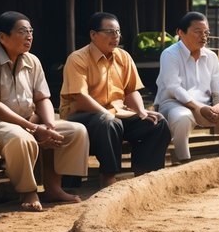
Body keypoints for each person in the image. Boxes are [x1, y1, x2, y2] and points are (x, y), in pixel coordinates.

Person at [0, 11, 88, 212]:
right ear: (2, 37)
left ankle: (54, 187)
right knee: (22, 138)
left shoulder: (33, 61)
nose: (29, 36)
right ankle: (28, 191)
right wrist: (33, 127)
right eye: (23, 31)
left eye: (31, 31)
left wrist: (48, 124)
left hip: (29, 120)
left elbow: (43, 98)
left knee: (75, 130)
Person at [60, 12, 171, 186]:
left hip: (116, 116)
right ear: (93, 35)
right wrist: (107, 113)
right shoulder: (77, 59)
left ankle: (145, 175)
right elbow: (80, 98)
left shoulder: (123, 56)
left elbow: (131, 90)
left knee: (158, 122)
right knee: (109, 121)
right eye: (110, 32)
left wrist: (142, 112)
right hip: (82, 116)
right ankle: (108, 176)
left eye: (118, 32)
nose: (115, 37)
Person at [156, 12, 219, 163]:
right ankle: (183, 160)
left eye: (206, 32)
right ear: (180, 33)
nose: (203, 36)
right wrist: (199, 108)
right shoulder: (169, 54)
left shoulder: (211, 56)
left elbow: (218, 88)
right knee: (182, 117)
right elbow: (173, 88)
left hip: (206, 107)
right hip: (173, 104)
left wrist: (218, 106)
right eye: (198, 32)